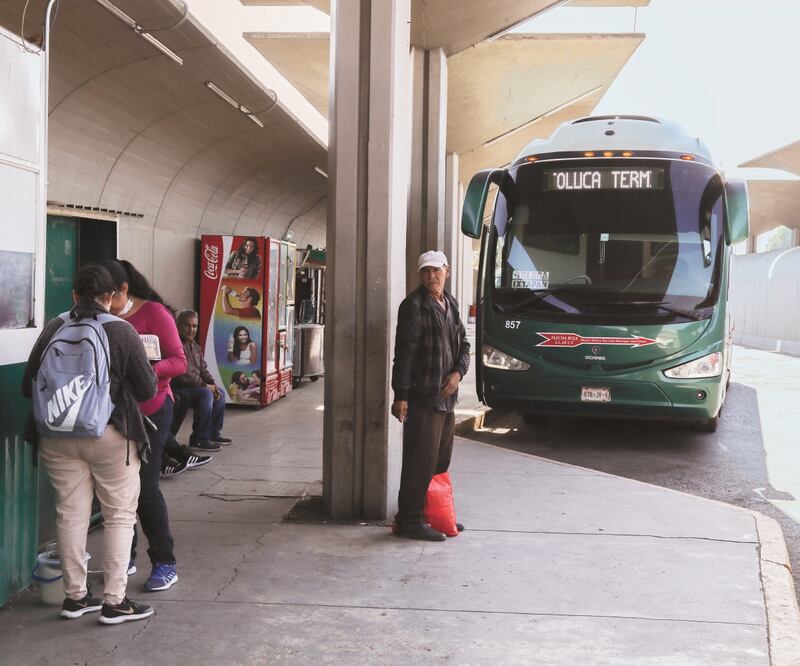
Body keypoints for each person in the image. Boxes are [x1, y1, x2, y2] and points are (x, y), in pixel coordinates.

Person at [22, 264, 157, 624]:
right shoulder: (121, 330)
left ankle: (76, 598)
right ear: (111, 297)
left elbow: (28, 384)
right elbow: (147, 389)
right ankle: (115, 602)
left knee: (70, 513)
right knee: (118, 516)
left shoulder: (55, 326)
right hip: (109, 435)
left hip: (57, 436)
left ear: (74, 295)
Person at [101, 259, 185, 592]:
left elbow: (179, 361)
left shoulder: (154, 314)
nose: (104, 305)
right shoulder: (100, 316)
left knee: (145, 486)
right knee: (117, 488)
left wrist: (152, 369)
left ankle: (165, 562)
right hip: (113, 412)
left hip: (152, 408)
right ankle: (127, 555)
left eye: (109, 297)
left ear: (124, 290)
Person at [390, 251, 470, 541]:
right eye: (425, 272)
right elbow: (404, 354)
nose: (431, 277)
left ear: (447, 270)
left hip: (447, 398)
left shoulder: (451, 304)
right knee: (419, 462)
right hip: (423, 397)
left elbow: (464, 345)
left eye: (436, 270)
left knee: (439, 461)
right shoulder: (413, 306)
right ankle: (410, 520)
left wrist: (458, 373)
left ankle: (432, 514)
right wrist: (401, 395)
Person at [171, 309, 231, 452]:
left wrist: (213, 384)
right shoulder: (176, 344)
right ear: (178, 325)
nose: (191, 329)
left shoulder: (195, 346)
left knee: (219, 392)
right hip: (179, 388)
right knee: (206, 394)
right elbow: (184, 375)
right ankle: (199, 439)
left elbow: (203, 369)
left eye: (194, 326)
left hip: (194, 386)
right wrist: (206, 386)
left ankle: (213, 434)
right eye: (187, 325)